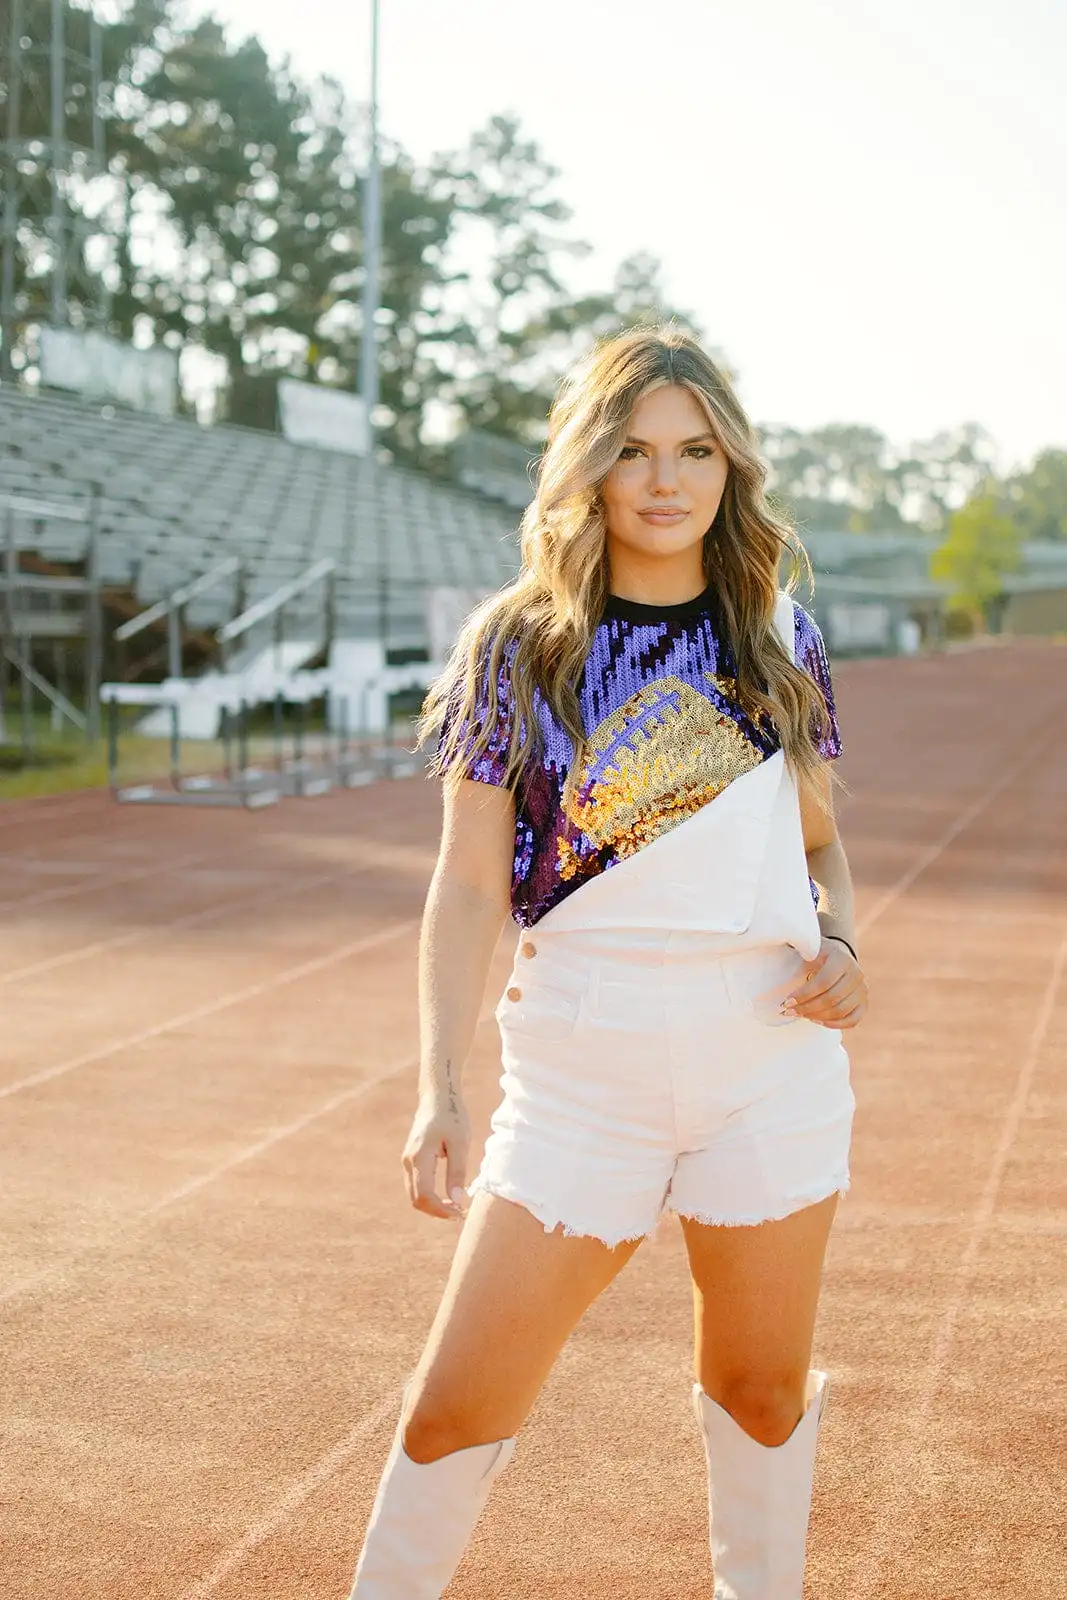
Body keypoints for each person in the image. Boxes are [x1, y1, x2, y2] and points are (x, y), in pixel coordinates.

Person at [348, 326, 869, 1598]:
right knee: (450, 1407)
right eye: (631, 449)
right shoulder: (521, 648)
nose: (662, 479)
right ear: (587, 463)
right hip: (581, 1068)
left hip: (768, 1059)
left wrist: (845, 938)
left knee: (756, 1389)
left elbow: (820, 841)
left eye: (693, 449)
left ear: (728, 466)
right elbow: (470, 884)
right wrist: (442, 1082)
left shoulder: (775, 635)